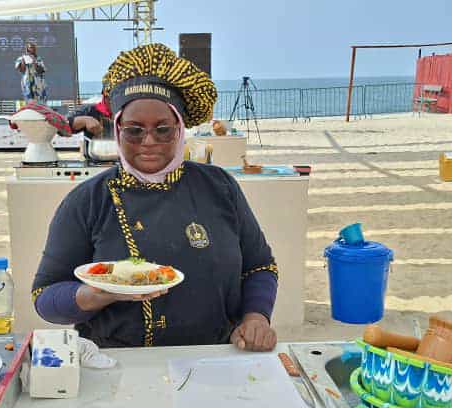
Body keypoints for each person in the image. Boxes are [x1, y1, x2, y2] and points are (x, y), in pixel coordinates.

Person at [32, 43, 279, 352]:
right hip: (117, 364)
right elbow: (44, 296)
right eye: (134, 130)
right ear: (118, 130)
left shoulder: (220, 187)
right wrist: (94, 295)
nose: (148, 141)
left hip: (215, 357)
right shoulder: (87, 200)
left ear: (180, 129)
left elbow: (259, 266)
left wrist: (256, 317)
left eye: (163, 129)